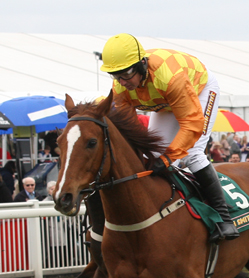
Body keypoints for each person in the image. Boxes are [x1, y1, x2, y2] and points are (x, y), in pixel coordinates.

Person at [101, 33, 237, 242]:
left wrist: (168, 159)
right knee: (153, 154)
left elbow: (191, 124)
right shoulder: (121, 86)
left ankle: (224, 218)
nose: (122, 81)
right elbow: (128, 131)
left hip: (198, 88)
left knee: (191, 153)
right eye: (116, 75)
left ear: (142, 64)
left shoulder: (168, 76)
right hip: (164, 100)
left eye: (126, 73)